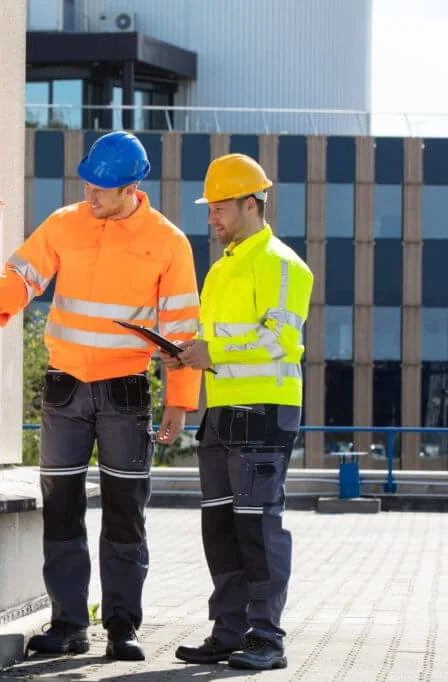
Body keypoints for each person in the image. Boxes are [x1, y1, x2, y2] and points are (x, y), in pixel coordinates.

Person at [0, 131, 201, 660]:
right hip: (65, 389)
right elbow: (24, 273)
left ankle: (122, 628)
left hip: (125, 393)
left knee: (125, 512)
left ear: (133, 187)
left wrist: (179, 402)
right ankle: (69, 623)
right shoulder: (64, 223)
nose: (92, 194)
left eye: (103, 188)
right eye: (89, 184)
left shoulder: (168, 243)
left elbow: (183, 331)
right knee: (62, 510)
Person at [164, 153, 314, 671]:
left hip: (264, 413)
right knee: (221, 529)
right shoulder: (224, 268)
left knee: (258, 527)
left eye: (219, 207)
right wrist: (186, 351)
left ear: (250, 204)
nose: (211, 217)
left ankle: (266, 639)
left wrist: (213, 352)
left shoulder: (282, 264)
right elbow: (219, 340)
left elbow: (281, 341)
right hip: (223, 412)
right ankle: (228, 633)